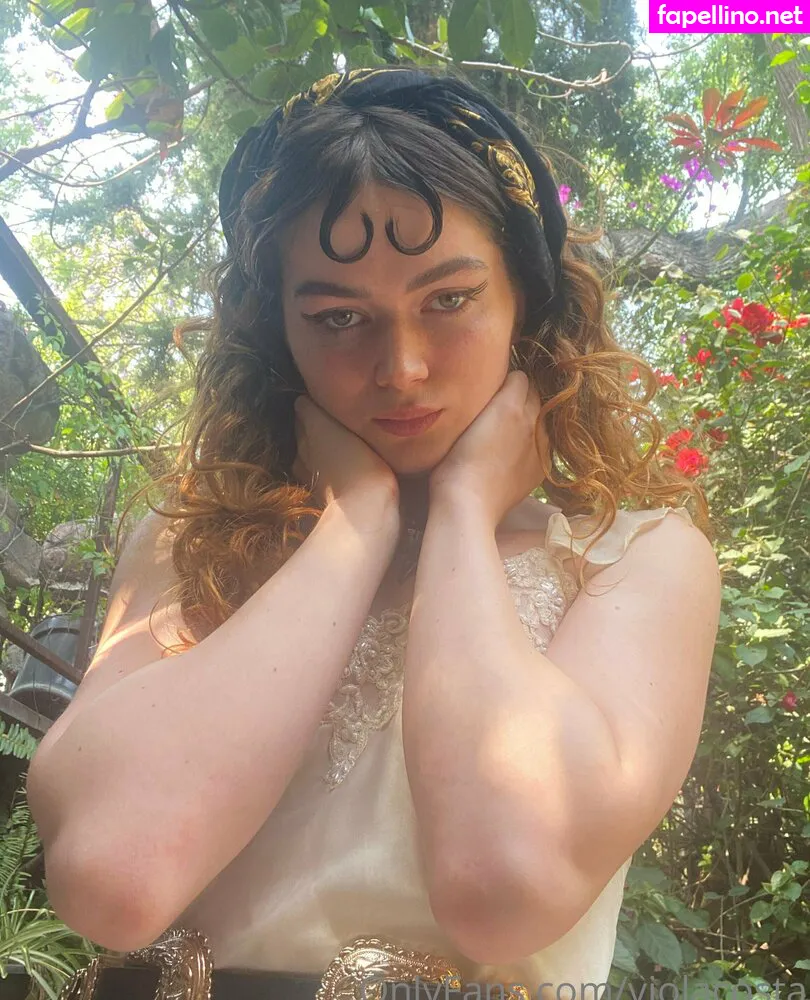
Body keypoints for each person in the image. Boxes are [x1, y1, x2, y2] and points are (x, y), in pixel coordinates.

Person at [27, 67, 722, 1000]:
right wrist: (356, 523)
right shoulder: (187, 541)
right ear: (277, 331)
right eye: (339, 317)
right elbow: (113, 877)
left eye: (449, 300)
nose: (401, 368)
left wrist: (465, 511)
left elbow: (507, 884)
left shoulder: (634, 559)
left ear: (525, 300)